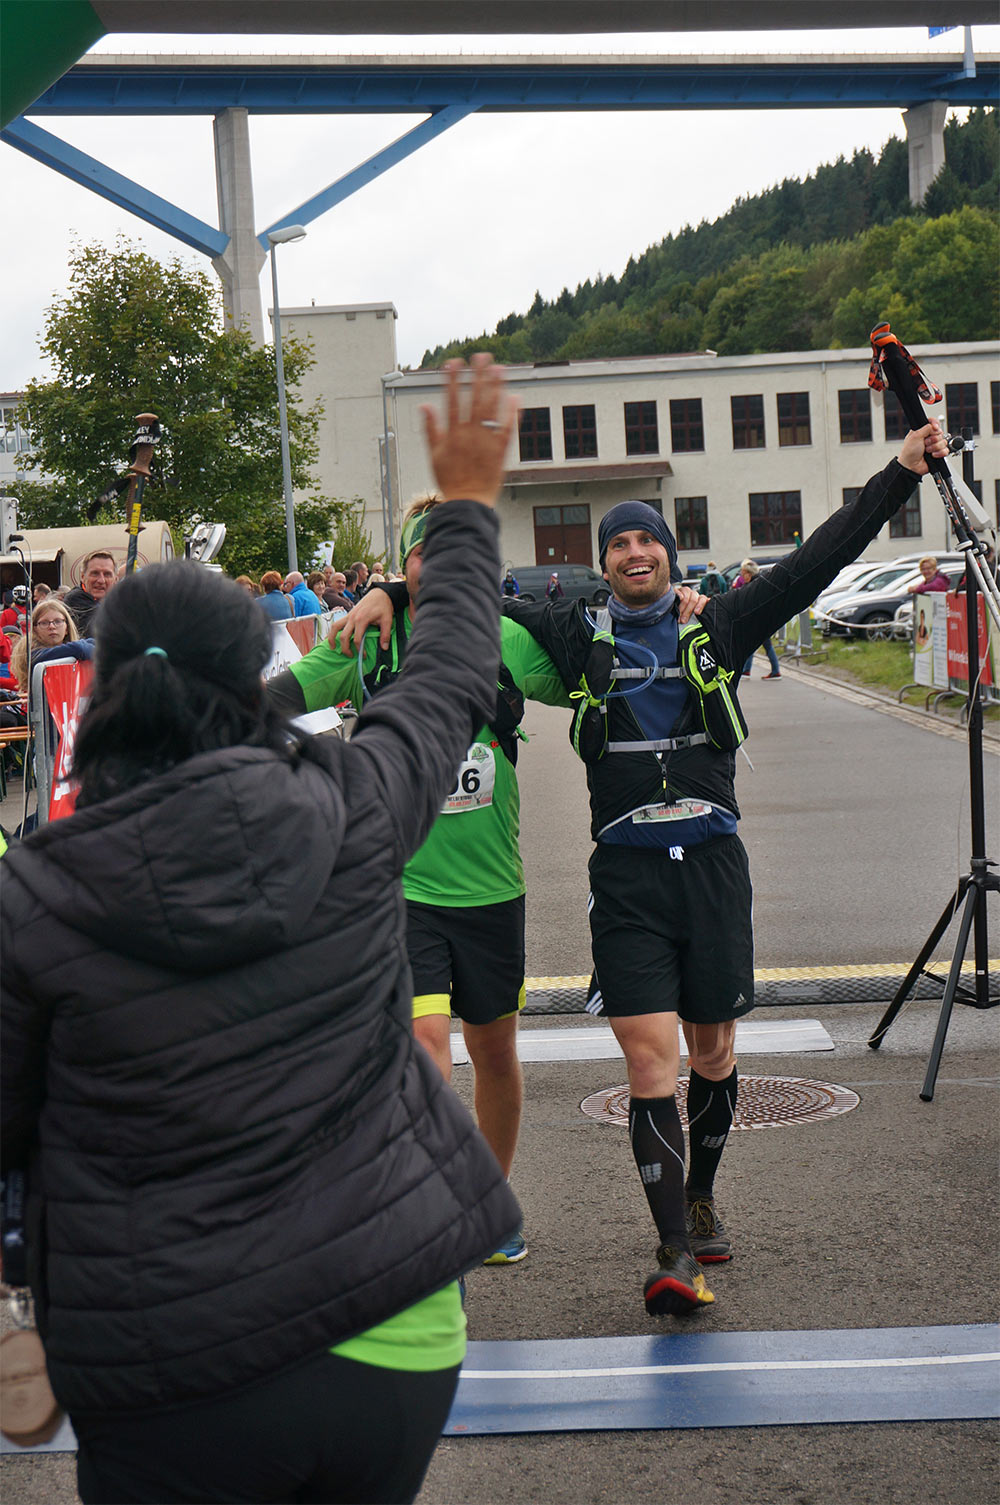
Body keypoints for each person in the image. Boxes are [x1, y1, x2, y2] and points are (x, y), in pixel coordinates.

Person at [0, 356, 522, 1505]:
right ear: (257, 675)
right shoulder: (354, 801)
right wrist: (469, 509)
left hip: (173, 1358)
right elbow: (447, 673)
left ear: (103, 683)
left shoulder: (36, 895)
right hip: (395, 1327)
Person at [502, 421, 949, 1320]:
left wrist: (899, 472)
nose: (634, 552)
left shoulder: (727, 623)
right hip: (625, 876)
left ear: (670, 557)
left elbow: (821, 558)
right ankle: (672, 1250)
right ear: (604, 562)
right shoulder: (567, 633)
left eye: (647, 540)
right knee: (647, 1057)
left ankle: (699, 1195)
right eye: (618, 543)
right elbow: (465, 595)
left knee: (713, 1051)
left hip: (711, 866)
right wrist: (391, 592)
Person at [267, 493, 573, 1267]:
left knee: (496, 1054)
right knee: (426, 1045)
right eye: (417, 556)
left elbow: (589, 672)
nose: (433, 567)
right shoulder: (365, 635)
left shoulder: (503, 637)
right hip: (400, 888)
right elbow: (278, 699)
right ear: (402, 563)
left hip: (493, 887)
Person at [734, 560, 781, 678]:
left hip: (761, 620)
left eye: (743, 573)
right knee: (755, 644)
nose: (741, 576)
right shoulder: (759, 582)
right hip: (762, 619)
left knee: (762, 644)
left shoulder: (755, 585)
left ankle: (774, 671)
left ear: (749, 574)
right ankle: (747, 669)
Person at [64, 551, 117, 635]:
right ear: (82, 577)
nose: (101, 580)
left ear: (115, 580)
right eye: (95, 573)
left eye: (107, 574)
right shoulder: (75, 600)